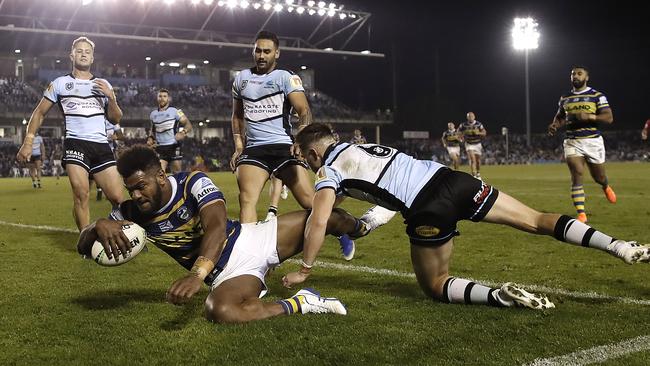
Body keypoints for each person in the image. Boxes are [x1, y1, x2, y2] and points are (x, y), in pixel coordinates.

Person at [281, 123, 650, 310]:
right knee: (537, 220)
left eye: (303, 156)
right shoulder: (366, 148)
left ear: (314, 154)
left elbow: (318, 218)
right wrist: (372, 221)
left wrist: (306, 268)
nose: (305, 163)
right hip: (453, 180)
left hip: (428, 208)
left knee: (435, 284)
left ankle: (501, 298)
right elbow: (389, 185)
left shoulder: (328, 173)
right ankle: (618, 245)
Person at [76, 145, 352, 324]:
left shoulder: (192, 182)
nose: (136, 195)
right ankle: (303, 302)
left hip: (252, 238)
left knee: (330, 218)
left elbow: (217, 227)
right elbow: (82, 246)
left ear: (160, 176)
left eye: (141, 186)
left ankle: (363, 225)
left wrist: (196, 274)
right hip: (229, 274)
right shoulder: (131, 212)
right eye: (130, 189)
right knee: (219, 311)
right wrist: (99, 224)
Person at [229, 30, 354, 260]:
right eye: (258, 50)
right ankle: (249, 260)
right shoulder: (241, 79)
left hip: (284, 147)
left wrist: (300, 141)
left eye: (267, 51)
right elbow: (237, 116)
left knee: (311, 202)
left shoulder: (286, 77)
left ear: (277, 53)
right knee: (246, 200)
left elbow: (304, 111)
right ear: (252, 51)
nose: (261, 55)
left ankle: (341, 230)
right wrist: (239, 146)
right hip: (254, 149)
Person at [15, 36, 124, 231]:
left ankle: (116, 229)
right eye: (79, 51)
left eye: (87, 52)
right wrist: (28, 141)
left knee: (117, 197)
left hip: (101, 146)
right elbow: (39, 112)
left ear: (92, 58)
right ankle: (86, 240)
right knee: (81, 194)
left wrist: (112, 97)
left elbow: (116, 119)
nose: (83, 54)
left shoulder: (102, 84)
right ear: (72, 55)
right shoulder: (59, 84)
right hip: (75, 144)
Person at [548, 66, 616, 223]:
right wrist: (555, 125)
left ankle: (605, 185)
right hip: (572, 141)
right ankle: (581, 213)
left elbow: (609, 117)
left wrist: (590, 116)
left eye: (579, 74)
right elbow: (559, 117)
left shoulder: (596, 96)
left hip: (593, 141)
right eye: (573, 74)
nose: (575, 76)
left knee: (599, 176)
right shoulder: (565, 98)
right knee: (577, 174)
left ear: (587, 77)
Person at [148, 88, 193, 174]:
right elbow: (152, 130)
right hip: (160, 147)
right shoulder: (153, 114)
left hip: (173, 146)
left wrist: (183, 132)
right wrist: (150, 138)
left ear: (169, 99)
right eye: (160, 96)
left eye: (165, 96)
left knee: (177, 174)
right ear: (157, 98)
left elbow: (188, 125)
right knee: (159, 174)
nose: (162, 98)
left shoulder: (176, 111)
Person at [96, 121, 125, 201]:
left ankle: (108, 192)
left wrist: (116, 137)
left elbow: (121, 136)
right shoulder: (97, 119)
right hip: (98, 149)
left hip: (110, 151)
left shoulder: (114, 122)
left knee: (109, 173)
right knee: (98, 171)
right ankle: (99, 190)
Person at [458, 112, 486, 179]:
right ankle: (474, 174)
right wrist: (460, 137)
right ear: (467, 117)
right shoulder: (463, 125)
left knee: (478, 161)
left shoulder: (478, 124)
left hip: (477, 144)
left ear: (474, 117)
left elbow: (484, 132)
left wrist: (478, 132)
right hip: (469, 144)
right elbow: (458, 132)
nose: (470, 117)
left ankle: (478, 173)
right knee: (472, 159)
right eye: (469, 116)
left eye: (471, 116)